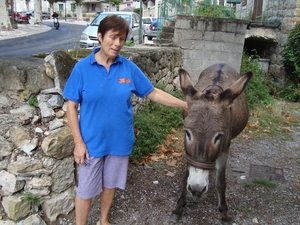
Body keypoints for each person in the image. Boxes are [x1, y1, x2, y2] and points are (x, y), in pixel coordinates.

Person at [63, 14, 188, 225]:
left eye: (122, 39)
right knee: (85, 189)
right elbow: (71, 107)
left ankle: (103, 220)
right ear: (100, 37)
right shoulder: (82, 69)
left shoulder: (128, 68)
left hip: (119, 141)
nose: (118, 43)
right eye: (113, 37)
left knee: (110, 184)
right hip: (91, 143)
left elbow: (153, 92)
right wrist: (78, 143)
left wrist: (184, 104)